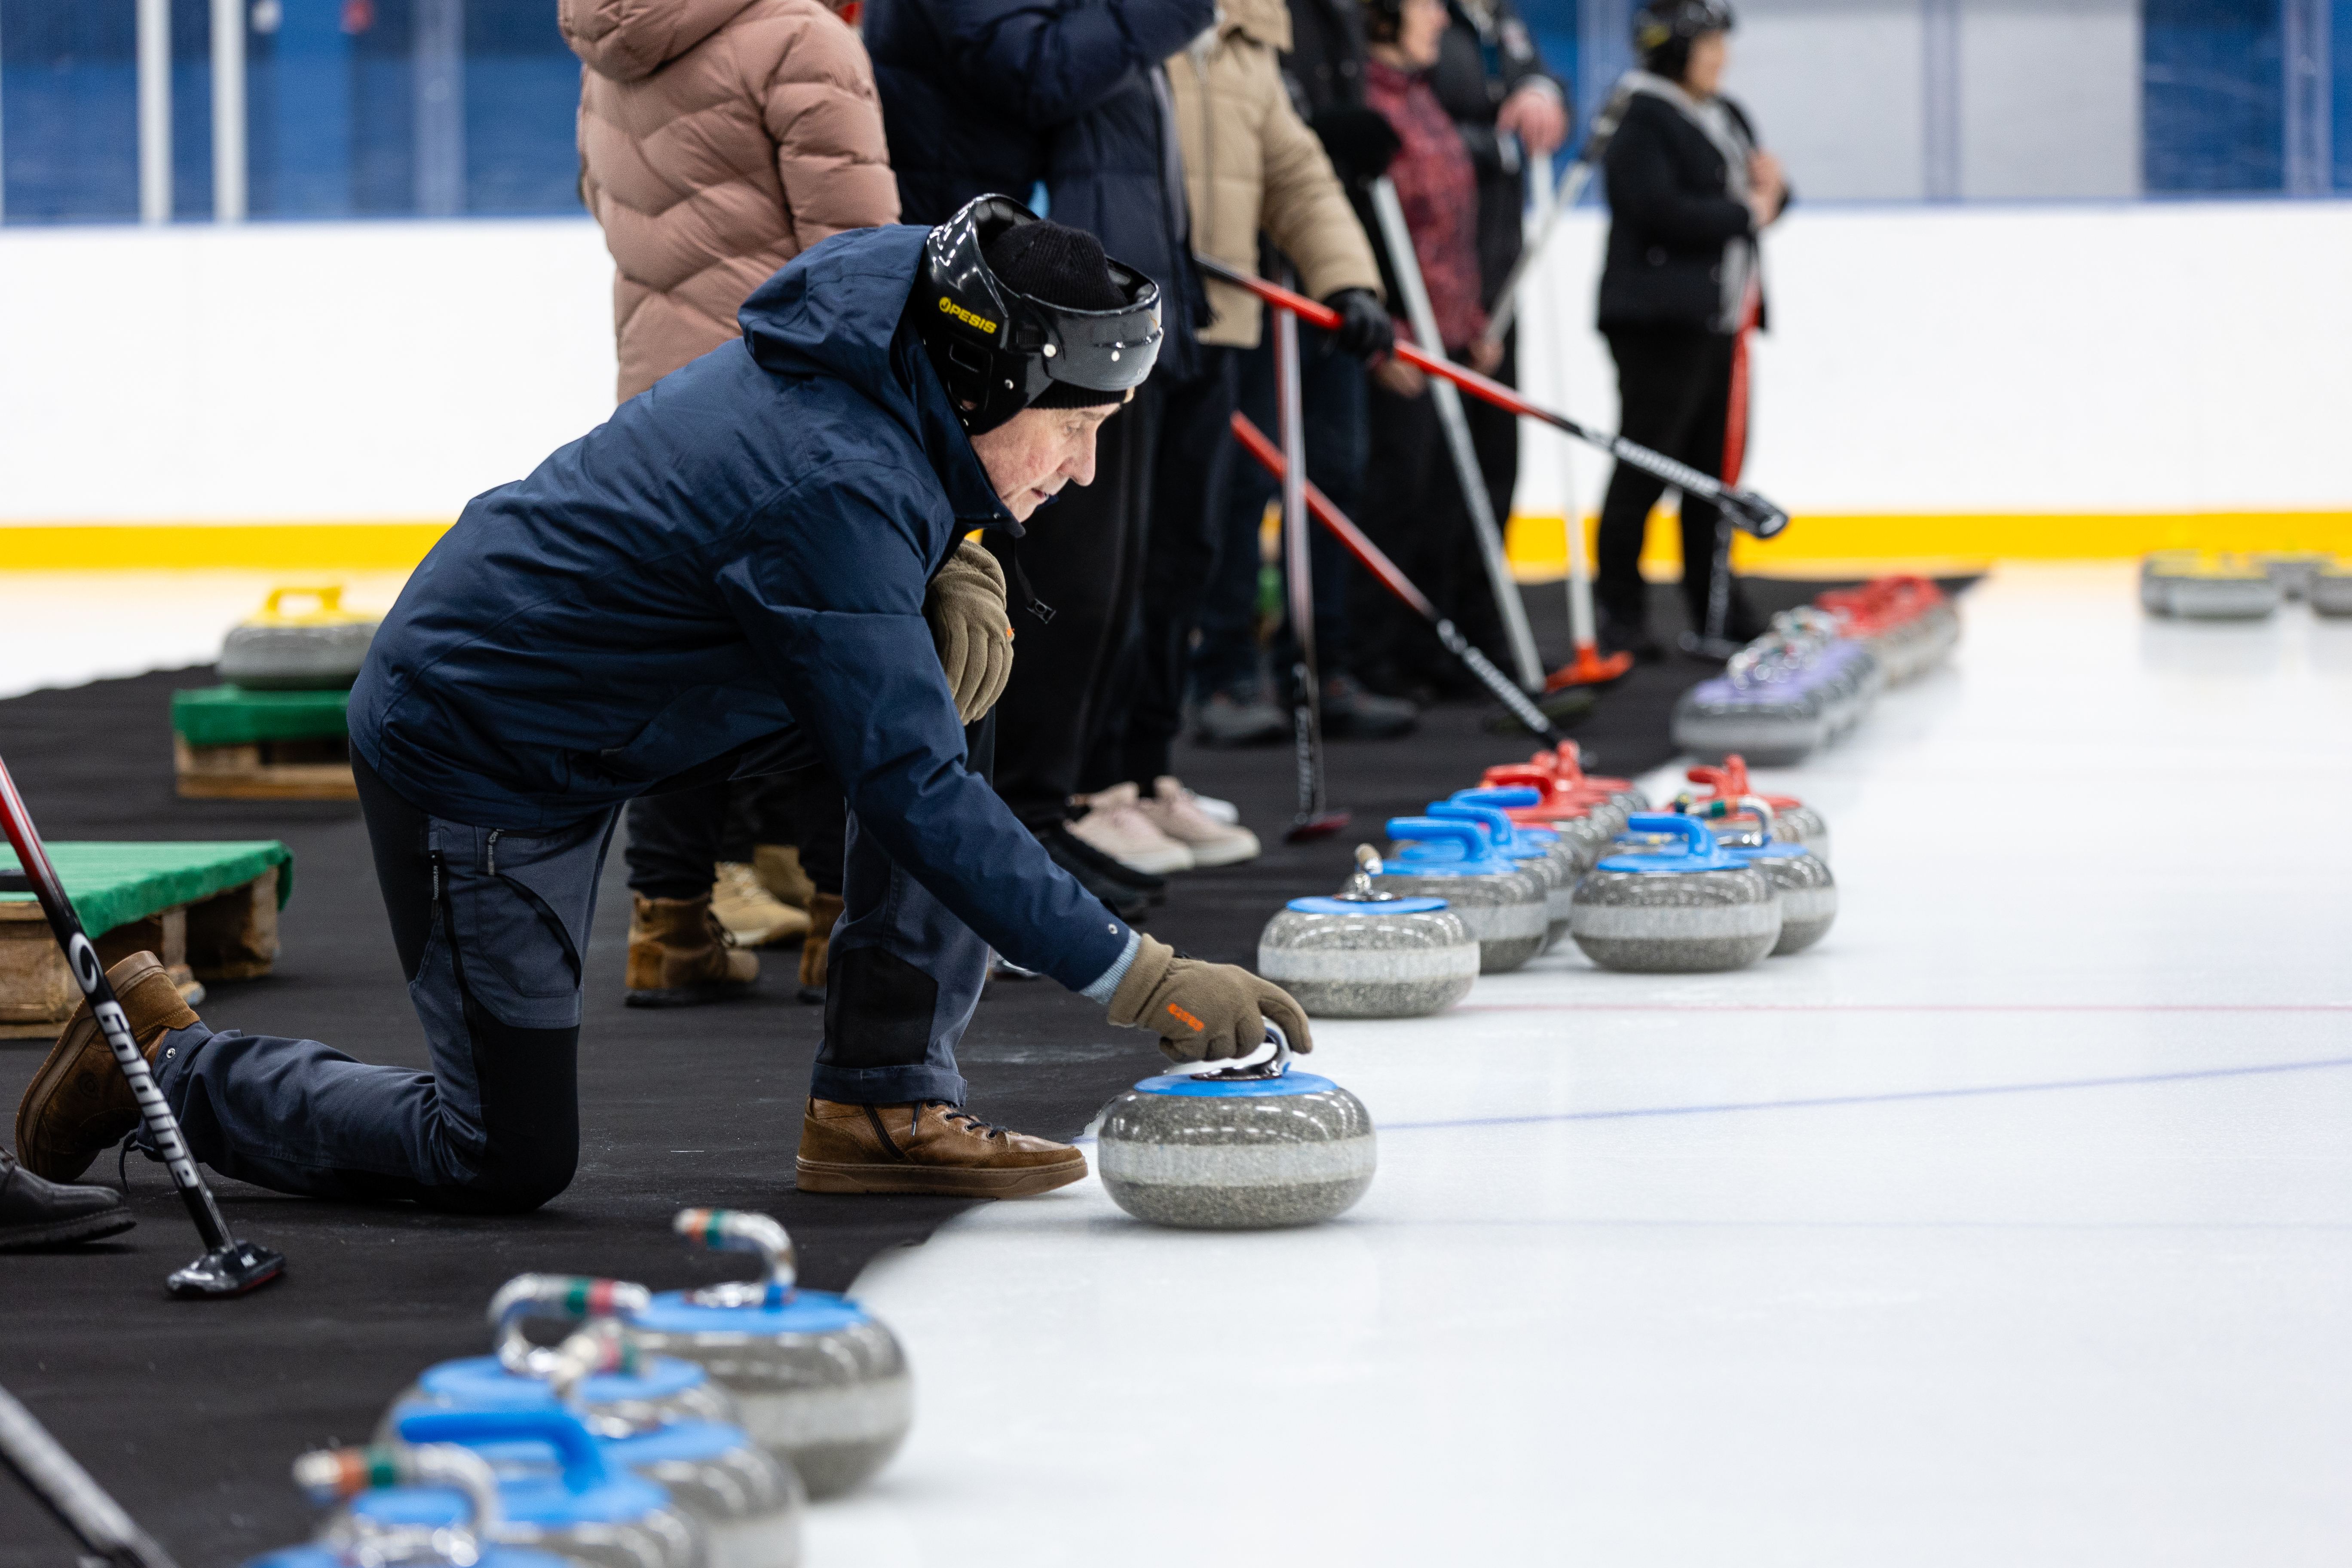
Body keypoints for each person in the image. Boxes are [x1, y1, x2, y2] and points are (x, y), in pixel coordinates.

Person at [12, 201, 1311, 1212]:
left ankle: (882, 1101)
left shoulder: (925, 318)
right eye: (1073, 428)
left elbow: (907, 642)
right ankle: (165, 1061)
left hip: (647, 692)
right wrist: (1140, 978)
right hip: (483, 744)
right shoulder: (831, 479)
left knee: (957, 669)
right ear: (988, 383)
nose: (1083, 470)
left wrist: (959, 540)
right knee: (500, 1157)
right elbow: (906, 781)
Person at [562, 0, 903, 1004]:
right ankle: (839, 932)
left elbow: (604, 203)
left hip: (658, 407)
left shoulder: (605, 43)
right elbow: (860, 265)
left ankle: (667, 928)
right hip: (790, 407)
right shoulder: (804, 41)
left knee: (681, 668)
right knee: (837, 655)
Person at [864, 0, 1214, 921]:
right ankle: (1005, 829)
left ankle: (1038, 815)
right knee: (1029, 589)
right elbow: (1037, 70)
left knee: (1096, 587)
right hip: (999, 325)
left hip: (1067, 313)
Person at [1065, 0, 1397, 875]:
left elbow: (1296, 171)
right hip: (1118, 326)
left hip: (1221, 326)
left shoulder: (1250, 37)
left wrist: (1349, 279)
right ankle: (1090, 785)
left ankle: (1146, 771)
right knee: (1114, 566)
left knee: (1187, 555)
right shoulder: (1126, 25)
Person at [1187, 0, 1418, 748]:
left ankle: (1322, 665)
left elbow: (1299, 161)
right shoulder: (1241, 19)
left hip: (1318, 281)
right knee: (1244, 481)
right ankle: (1225, 673)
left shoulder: (1335, 14)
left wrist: (1354, 281)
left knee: (1337, 471)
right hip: (1241, 282)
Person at [1591, 0, 1787, 661]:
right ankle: (1621, 613)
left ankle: (1716, 605)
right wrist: (1745, 212)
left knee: (1716, 472)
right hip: (1657, 323)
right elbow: (1653, 206)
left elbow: (1760, 199)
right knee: (1648, 464)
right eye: (1708, 46)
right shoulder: (1641, 113)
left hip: (1721, 322)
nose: (1721, 58)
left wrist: (1775, 193)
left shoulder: (1724, 114)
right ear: (1672, 49)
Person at [1348, 0, 1510, 703]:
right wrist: (1390, 332)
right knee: (1396, 496)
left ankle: (1429, 646)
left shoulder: (1424, 97)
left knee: (1446, 499)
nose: (1441, 21)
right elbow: (1367, 233)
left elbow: (1451, 227)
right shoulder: (1367, 102)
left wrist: (1472, 317)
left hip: (1448, 335)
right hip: (1400, 340)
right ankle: (1373, 651)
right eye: (1425, 7)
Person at [1427, 0, 1568, 546]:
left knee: (1497, 454)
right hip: (1435, 278)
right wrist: (1501, 148)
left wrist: (1543, 94)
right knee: (1438, 464)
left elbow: (1541, 84)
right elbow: (1409, 137)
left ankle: (1482, 611)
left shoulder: (1503, 24)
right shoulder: (1425, 21)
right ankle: (1430, 617)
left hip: (1499, 273)